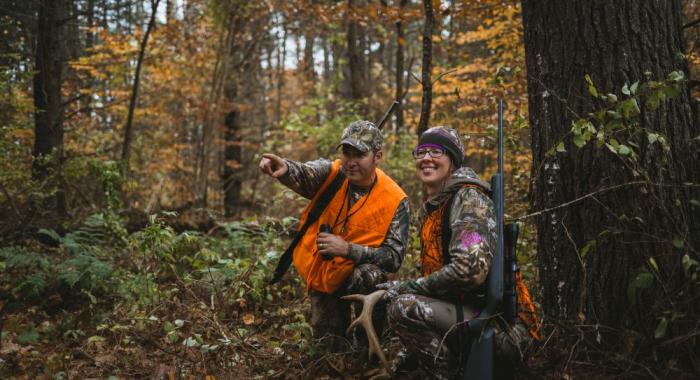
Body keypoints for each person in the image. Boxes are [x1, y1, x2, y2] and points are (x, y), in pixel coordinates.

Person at [379, 126, 538, 379]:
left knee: (405, 307)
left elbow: (469, 269)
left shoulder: (469, 200)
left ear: (452, 159)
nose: (426, 158)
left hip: (503, 327)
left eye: (435, 151)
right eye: (420, 152)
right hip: (469, 313)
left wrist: (408, 286)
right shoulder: (438, 206)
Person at [259, 120, 410, 349]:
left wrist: (348, 250)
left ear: (377, 157)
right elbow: (304, 172)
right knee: (326, 348)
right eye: (347, 153)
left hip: (358, 273)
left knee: (370, 275)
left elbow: (394, 258)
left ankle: (367, 346)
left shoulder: (395, 199)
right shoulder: (331, 174)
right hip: (325, 272)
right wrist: (285, 169)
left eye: (359, 155)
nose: (350, 162)